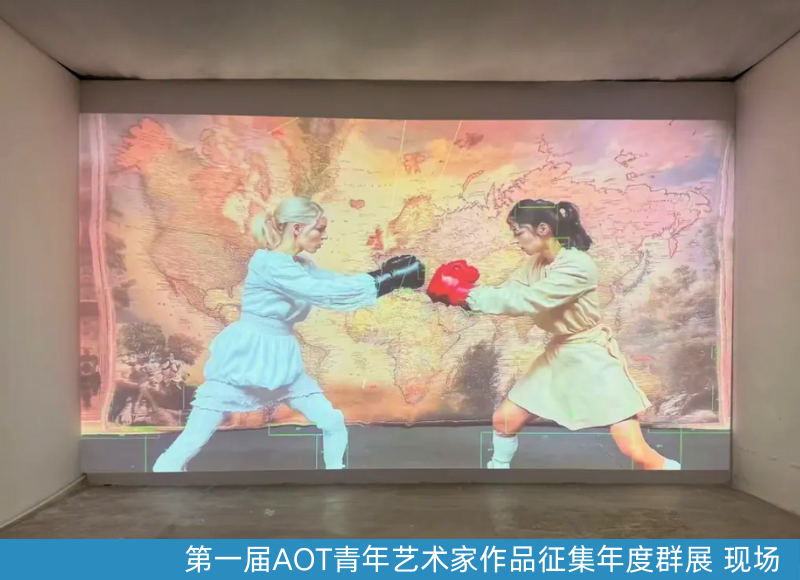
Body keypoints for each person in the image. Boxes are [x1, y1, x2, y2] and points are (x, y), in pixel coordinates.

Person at [152, 198, 425, 472]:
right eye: (319, 229)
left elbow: (335, 285)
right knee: (194, 438)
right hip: (248, 357)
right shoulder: (269, 264)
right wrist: (387, 278)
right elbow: (323, 293)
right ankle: (164, 473)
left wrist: (384, 279)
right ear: (297, 228)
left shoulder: (301, 265)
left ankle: (336, 476)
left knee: (332, 422)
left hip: (281, 359)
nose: (324, 236)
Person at [427, 199, 680, 470]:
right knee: (505, 420)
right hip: (560, 351)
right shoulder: (535, 263)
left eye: (518, 232)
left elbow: (530, 300)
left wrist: (467, 294)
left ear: (543, 229)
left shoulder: (578, 266)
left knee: (633, 449)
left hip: (591, 355)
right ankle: (497, 472)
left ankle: (670, 472)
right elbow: (509, 294)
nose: (515, 240)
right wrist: (462, 298)